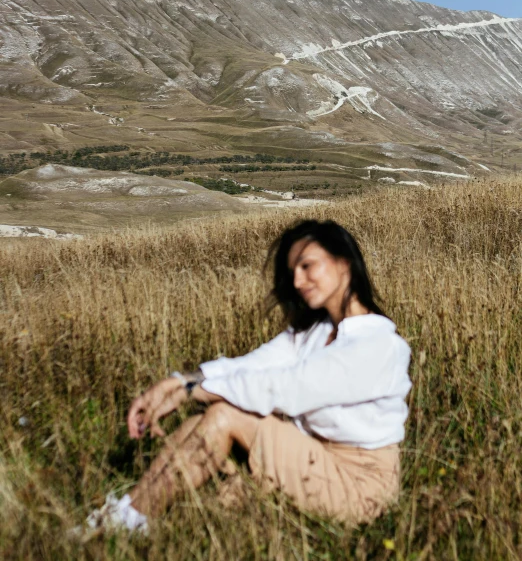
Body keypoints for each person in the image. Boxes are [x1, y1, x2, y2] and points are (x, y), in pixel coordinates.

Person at [80, 219, 411, 535]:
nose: (297, 281)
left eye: (307, 266)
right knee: (208, 418)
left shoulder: (379, 345)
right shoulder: (318, 332)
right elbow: (251, 365)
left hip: (359, 486)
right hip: (313, 454)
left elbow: (284, 389)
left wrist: (193, 390)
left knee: (225, 415)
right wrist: (180, 382)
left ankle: (128, 521)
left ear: (344, 263)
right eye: (293, 271)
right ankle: (128, 512)